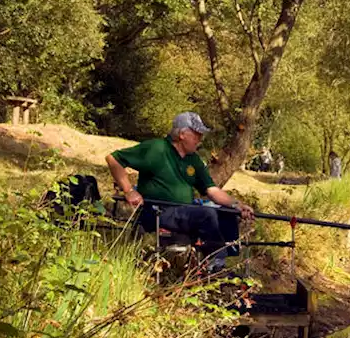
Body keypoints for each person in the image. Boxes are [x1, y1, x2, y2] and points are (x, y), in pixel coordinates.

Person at [105, 112, 254, 271]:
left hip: (185, 213)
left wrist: (237, 205)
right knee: (206, 214)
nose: (200, 139)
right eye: (197, 135)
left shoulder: (193, 160)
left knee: (227, 213)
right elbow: (113, 159)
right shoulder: (156, 148)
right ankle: (216, 265)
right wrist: (128, 190)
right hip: (158, 211)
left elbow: (212, 190)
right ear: (183, 134)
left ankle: (221, 263)